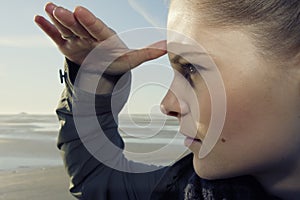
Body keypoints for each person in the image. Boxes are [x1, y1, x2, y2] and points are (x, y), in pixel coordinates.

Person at [34, 1, 300, 199]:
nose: (166, 105)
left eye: (191, 69)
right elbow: (96, 180)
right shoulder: (187, 190)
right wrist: (95, 79)